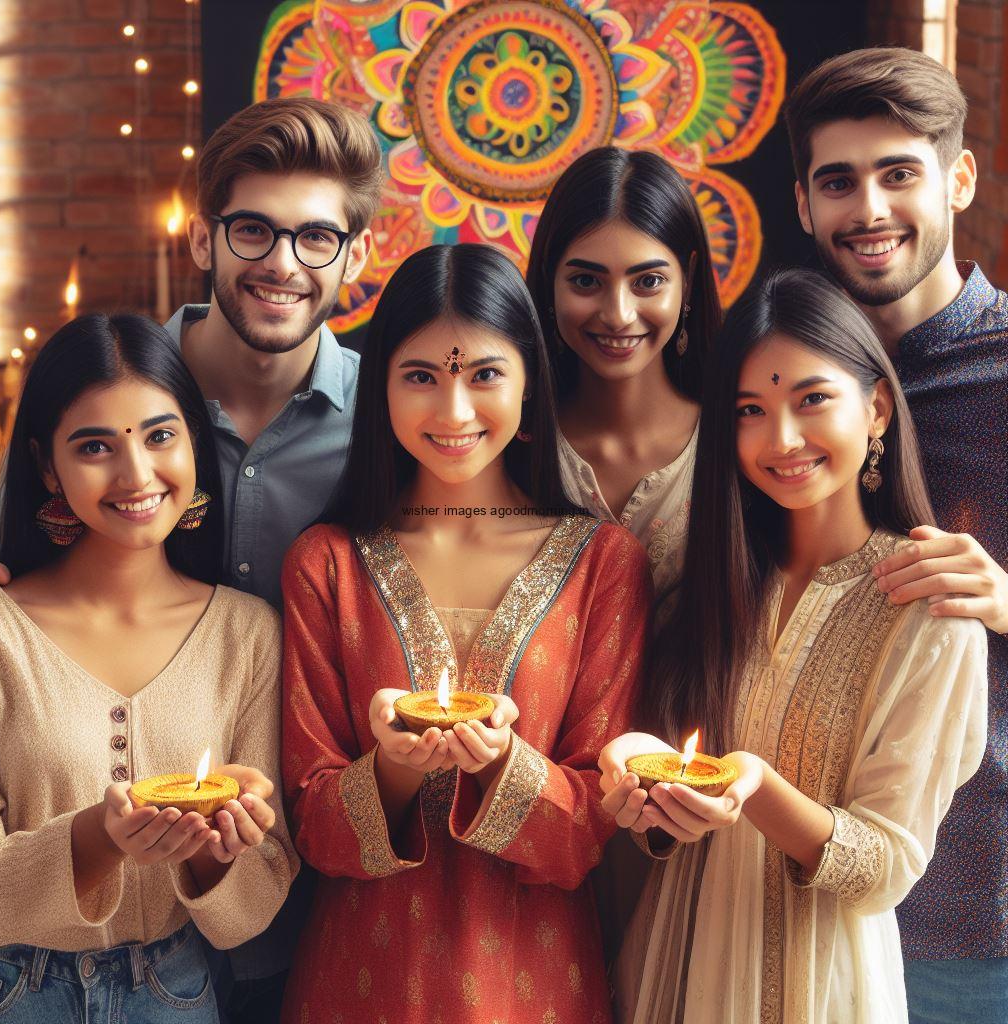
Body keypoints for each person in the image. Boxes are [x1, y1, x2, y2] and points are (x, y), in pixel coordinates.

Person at [0, 95, 383, 1023]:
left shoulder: (391, 426)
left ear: (355, 256)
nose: (282, 264)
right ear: (205, 240)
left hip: (293, 919)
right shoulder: (110, 382)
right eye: (253, 230)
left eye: (316, 239)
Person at [600, 269, 987, 1024]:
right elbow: (663, 828)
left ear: (877, 407)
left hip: (827, 986)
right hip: (675, 970)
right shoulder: (700, 580)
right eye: (751, 410)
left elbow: (885, 868)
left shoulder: (932, 617)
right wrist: (640, 789)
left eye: (811, 399)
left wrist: (757, 787)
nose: (780, 439)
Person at [280, 244, 652, 1022]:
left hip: (535, 984)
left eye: (483, 375)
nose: (453, 412)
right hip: (361, 978)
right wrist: (392, 769)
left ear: (529, 385)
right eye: (422, 376)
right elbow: (312, 824)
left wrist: (504, 765)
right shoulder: (327, 563)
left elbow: (589, 831)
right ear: (379, 386)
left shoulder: (603, 565)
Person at [0, 313, 297, 1021]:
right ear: (45, 467)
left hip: (177, 993)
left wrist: (215, 853)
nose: (136, 474)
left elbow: (254, 906)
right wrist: (99, 837)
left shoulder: (247, 634)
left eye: (160, 435)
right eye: (95, 446)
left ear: (194, 441)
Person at [784, 48, 1008, 1023]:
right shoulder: (776, 385)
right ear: (802, 202)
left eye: (898, 174)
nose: (867, 208)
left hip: (975, 917)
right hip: (796, 888)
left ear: (957, 178)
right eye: (839, 181)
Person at [526, 146, 721, 595]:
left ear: (688, 280)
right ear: (549, 280)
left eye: (648, 282)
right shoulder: (507, 442)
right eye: (586, 281)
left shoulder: (739, 438)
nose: (618, 314)